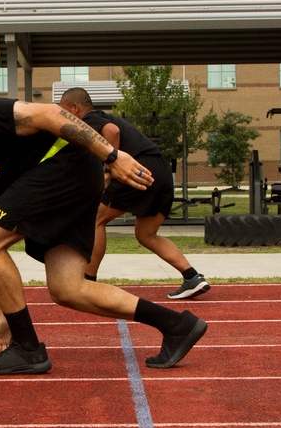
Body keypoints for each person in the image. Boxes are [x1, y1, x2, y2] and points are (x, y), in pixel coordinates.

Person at [0, 97, 207, 373]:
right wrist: (4, 315)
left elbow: (49, 113)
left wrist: (111, 155)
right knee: (67, 288)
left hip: (70, 166)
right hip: (70, 187)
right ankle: (176, 326)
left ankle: (28, 348)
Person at [59, 87, 210, 300]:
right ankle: (192, 277)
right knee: (146, 235)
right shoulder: (99, 118)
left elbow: (113, 131)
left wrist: (110, 166)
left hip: (139, 167)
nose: (62, 116)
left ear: (75, 108)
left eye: (63, 111)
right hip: (161, 170)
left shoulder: (89, 119)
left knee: (95, 219)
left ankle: (88, 280)